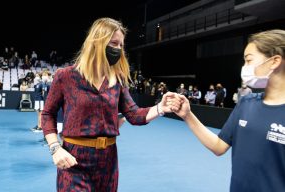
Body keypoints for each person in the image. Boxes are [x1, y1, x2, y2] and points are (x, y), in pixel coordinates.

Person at [41, 17, 173, 192]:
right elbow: (48, 114)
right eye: (114, 43)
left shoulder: (117, 80)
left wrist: (160, 108)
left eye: (121, 45)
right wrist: (55, 148)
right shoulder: (65, 76)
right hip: (73, 161)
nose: (118, 49)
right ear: (96, 43)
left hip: (108, 162)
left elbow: (134, 115)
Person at [169, 29, 285, 192]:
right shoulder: (246, 103)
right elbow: (218, 146)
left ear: (274, 61)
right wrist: (187, 116)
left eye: (248, 60)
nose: (244, 67)